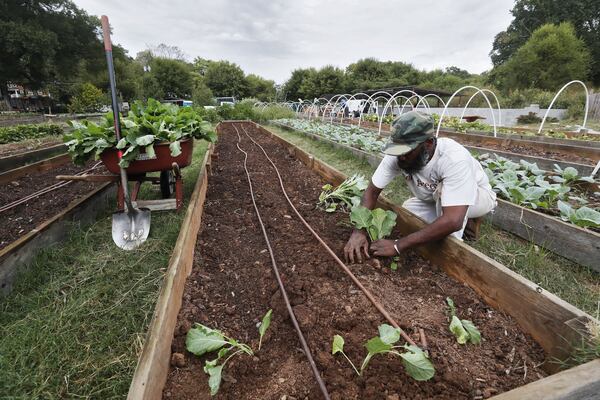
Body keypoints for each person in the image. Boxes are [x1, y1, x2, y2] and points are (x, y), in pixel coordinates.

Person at [344, 111, 496, 263]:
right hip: (434, 198)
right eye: (398, 151)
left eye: (407, 152)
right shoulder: (398, 155)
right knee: (408, 212)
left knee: (446, 227)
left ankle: (458, 233)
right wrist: (359, 230)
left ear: (428, 143)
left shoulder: (453, 158)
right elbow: (372, 192)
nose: (401, 157)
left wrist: (398, 246)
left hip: (478, 197)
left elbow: (453, 220)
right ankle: (455, 216)